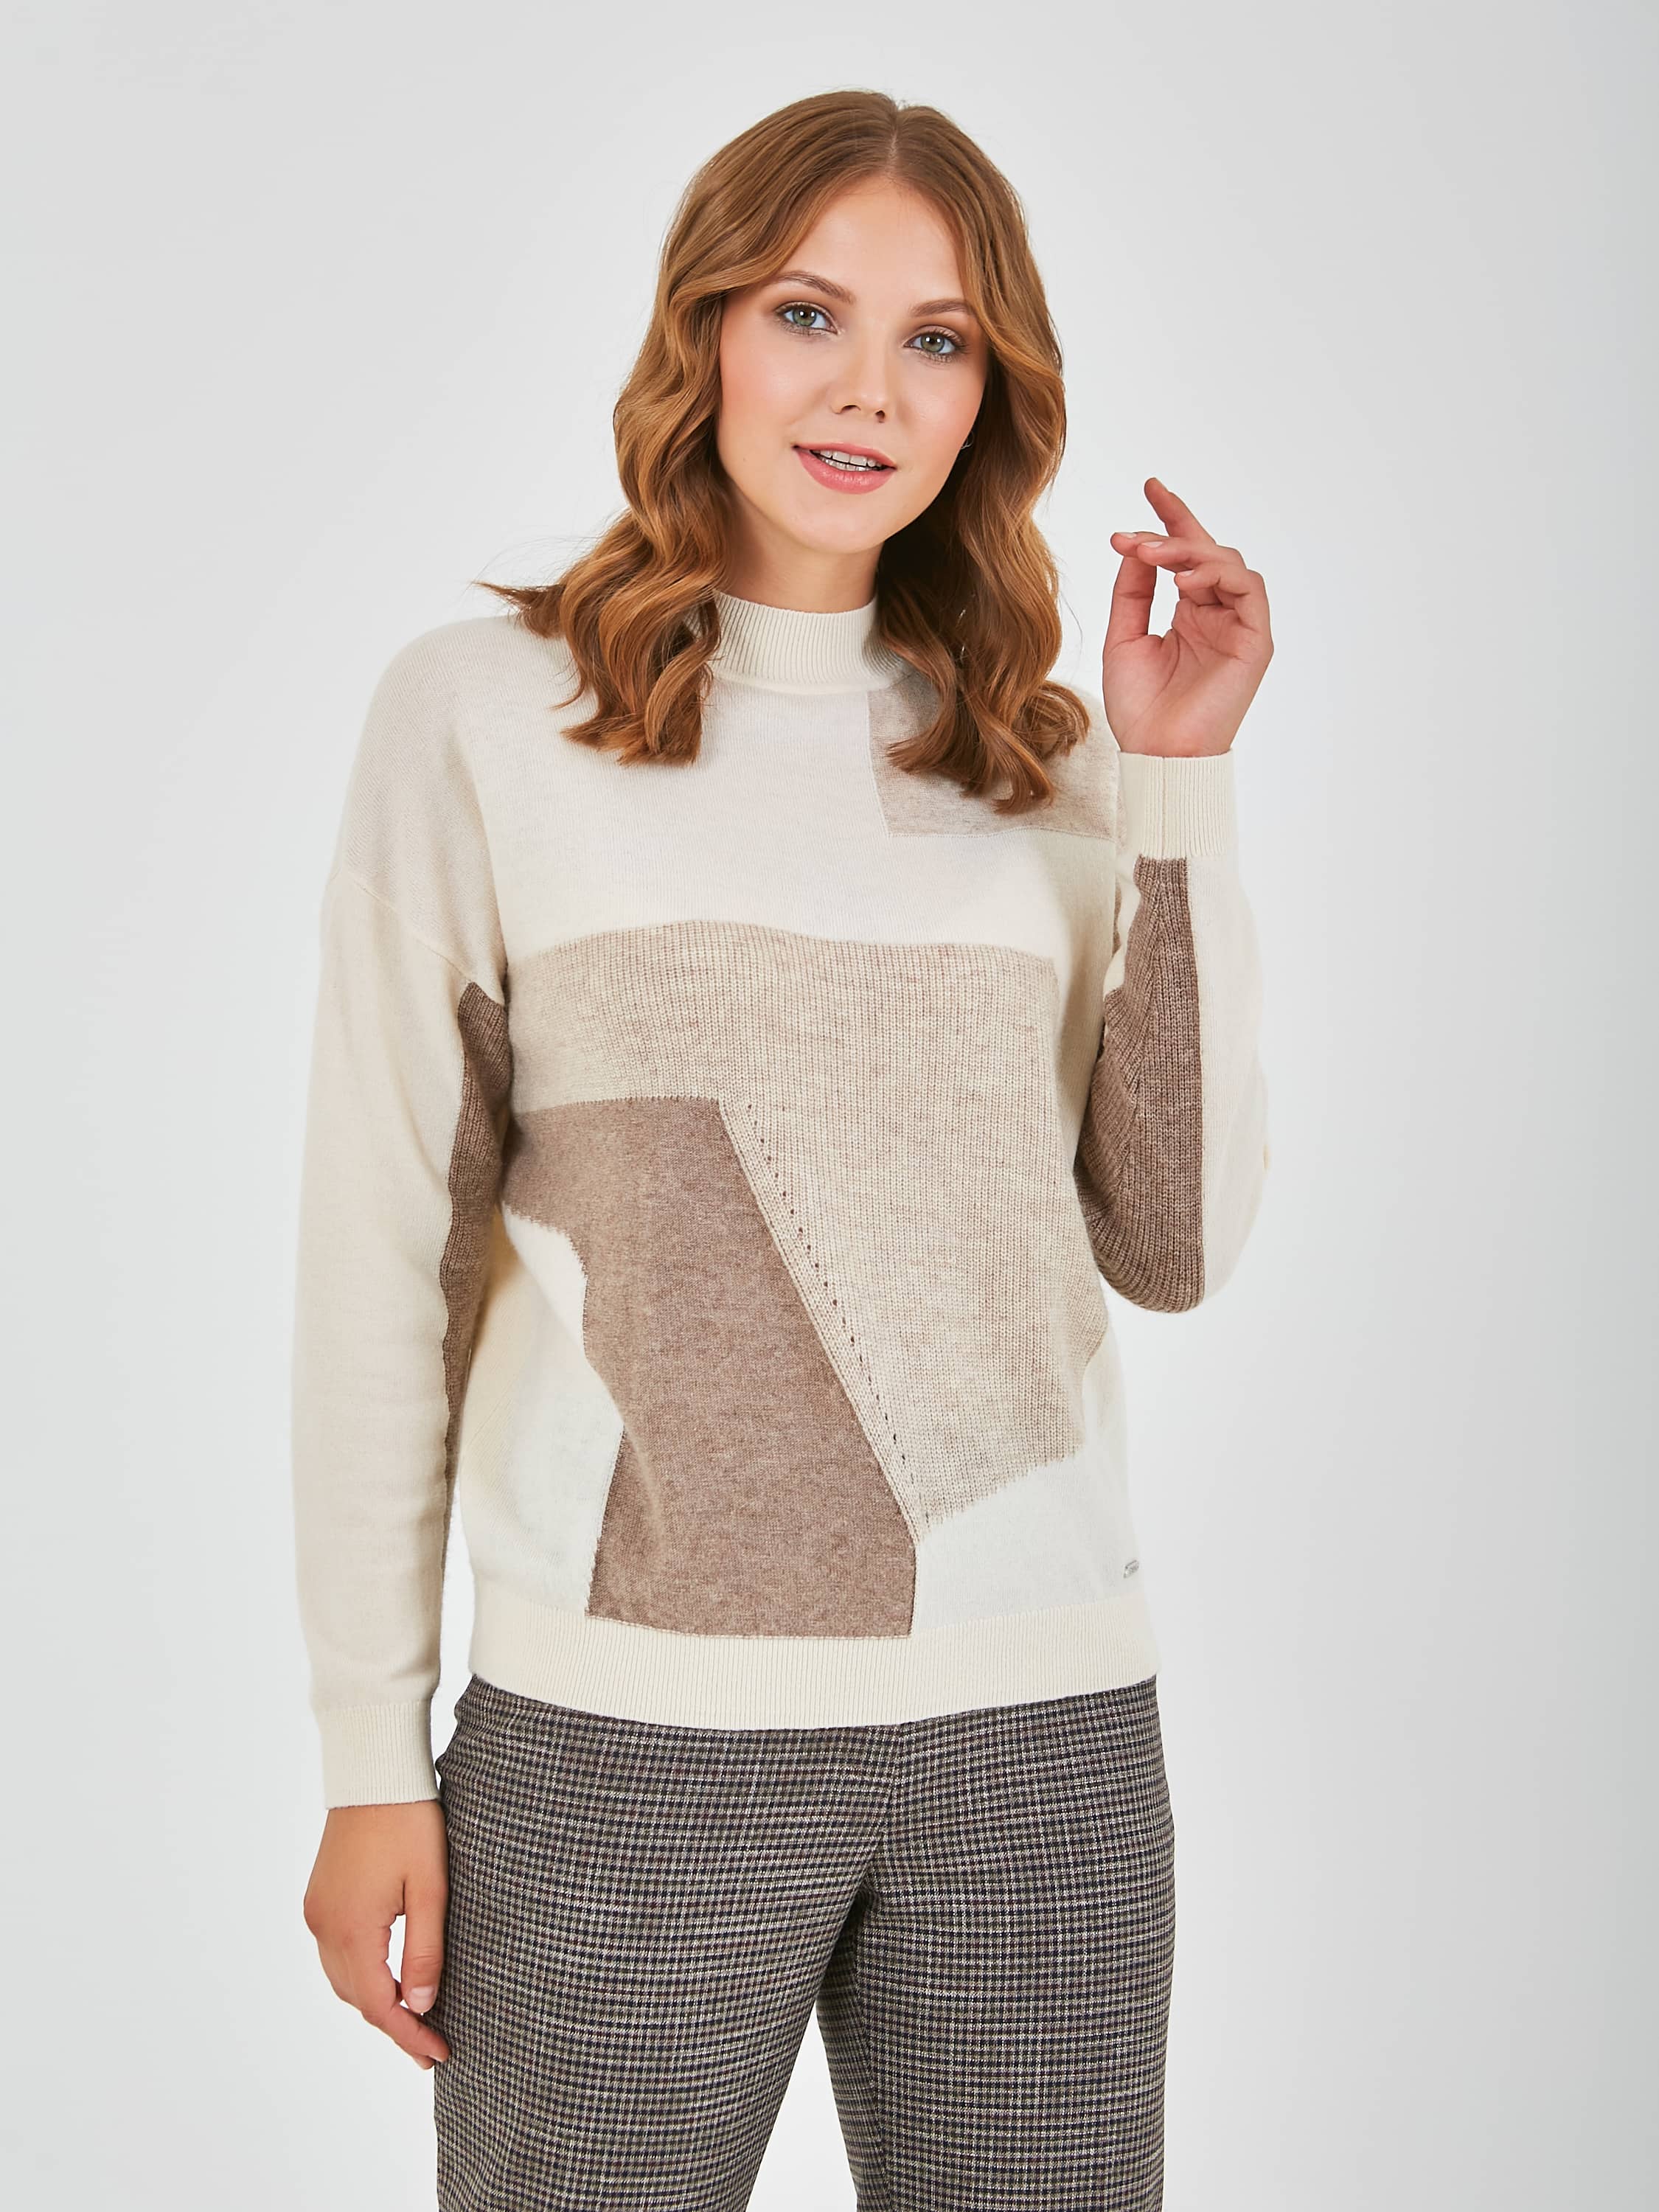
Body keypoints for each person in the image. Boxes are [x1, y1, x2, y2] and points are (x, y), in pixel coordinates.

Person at [293, 85, 1272, 2212]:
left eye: (938, 339)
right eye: (807, 312)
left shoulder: (1045, 758)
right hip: (620, 1743)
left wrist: (1175, 786)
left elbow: (1173, 1239)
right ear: (704, 332)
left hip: (1040, 1742)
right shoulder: (484, 717)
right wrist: (373, 1755)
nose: (867, 390)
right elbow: (382, 1261)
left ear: (991, 396)